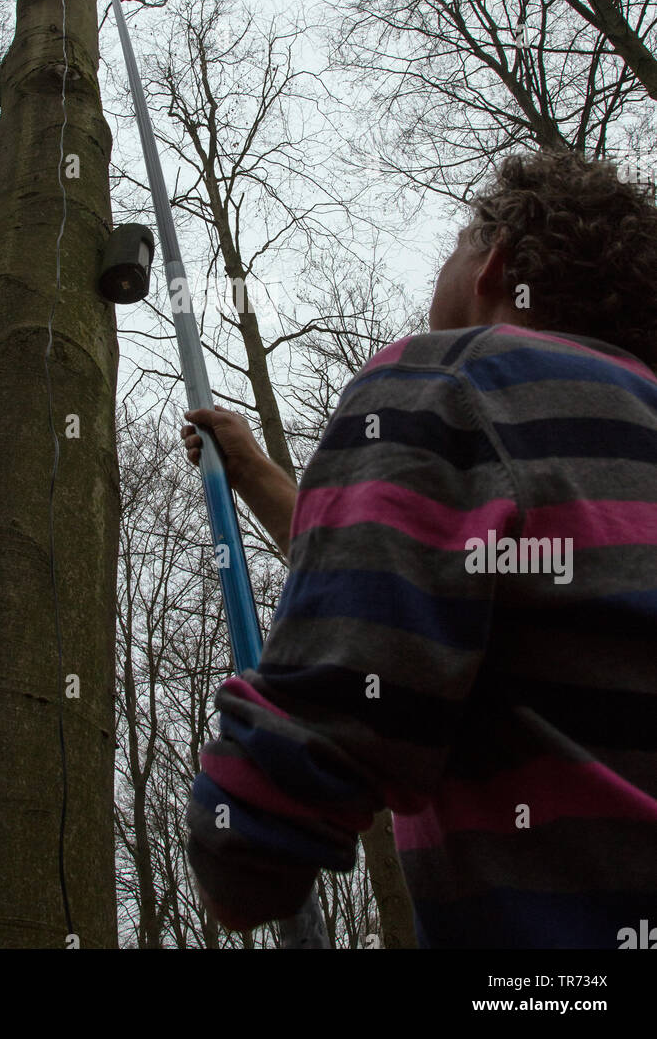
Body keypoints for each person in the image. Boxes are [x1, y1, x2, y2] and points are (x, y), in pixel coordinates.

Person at [182, 150, 657, 949]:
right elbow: (440, 563)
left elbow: (266, 835)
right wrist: (255, 470)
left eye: (458, 240)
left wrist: (240, 832)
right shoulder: (616, 440)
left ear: (496, 260)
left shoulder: (455, 381)